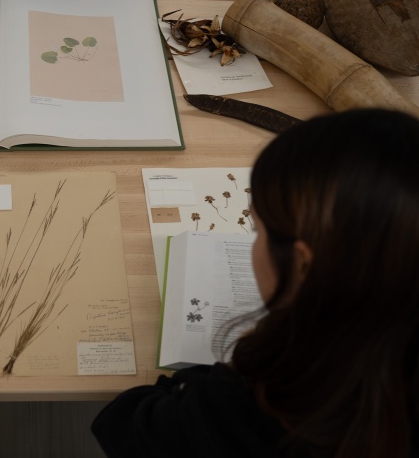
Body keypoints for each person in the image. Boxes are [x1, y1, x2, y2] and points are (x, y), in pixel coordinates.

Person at [92, 108, 419, 457]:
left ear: (302, 266)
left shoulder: (248, 410)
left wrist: (222, 371)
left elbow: (122, 423)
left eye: (257, 230)